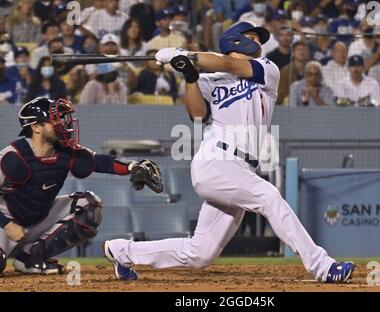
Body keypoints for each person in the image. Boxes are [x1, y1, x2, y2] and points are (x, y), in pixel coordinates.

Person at [104, 21, 355, 283]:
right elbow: (197, 114)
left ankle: (122, 251)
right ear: (235, 40)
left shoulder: (267, 69)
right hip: (216, 161)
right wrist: (190, 75)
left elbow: (229, 65)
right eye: (252, 37)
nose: (259, 42)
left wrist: (185, 56)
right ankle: (322, 266)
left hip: (241, 169)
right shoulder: (209, 80)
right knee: (268, 196)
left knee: (200, 253)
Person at [0, 97, 163, 275]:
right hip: (6, 225)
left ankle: (30, 259)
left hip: (37, 220)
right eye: (54, 119)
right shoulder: (13, 157)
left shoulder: (64, 151)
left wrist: (132, 166)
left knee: (88, 206)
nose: (62, 124)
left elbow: (99, 162)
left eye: (61, 118)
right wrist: (7, 224)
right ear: (36, 127)